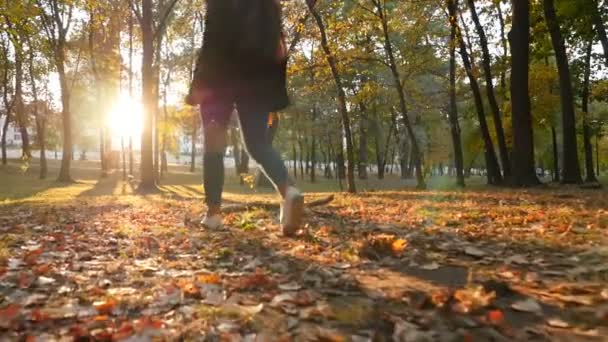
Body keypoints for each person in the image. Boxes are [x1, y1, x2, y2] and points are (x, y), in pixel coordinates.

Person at [186, 0, 303, 236]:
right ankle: (288, 191)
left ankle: (213, 214)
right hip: (257, 81)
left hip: (218, 77)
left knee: (214, 146)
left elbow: (211, 37)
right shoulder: (269, 5)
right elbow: (279, 48)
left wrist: (198, 83)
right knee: (258, 144)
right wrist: (273, 94)